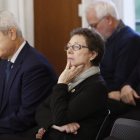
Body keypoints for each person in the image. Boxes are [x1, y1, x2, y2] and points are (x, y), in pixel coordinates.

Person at [22, 28, 108, 140]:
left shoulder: (96, 87)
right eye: (68, 46)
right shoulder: (74, 79)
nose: (69, 51)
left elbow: (60, 118)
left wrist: (62, 83)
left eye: (76, 47)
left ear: (93, 54)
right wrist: (58, 126)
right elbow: (41, 110)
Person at [0, 11, 57, 136]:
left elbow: (26, 117)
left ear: (11, 33)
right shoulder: (4, 59)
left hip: (24, 132)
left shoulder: (36, 67)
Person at [86, 0, 140, 100]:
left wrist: (92, 92)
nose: (92, 30)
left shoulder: (129, 40)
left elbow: (119, 83)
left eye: (94, 25)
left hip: (111, 95)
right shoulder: (106, 38)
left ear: (109, 19)